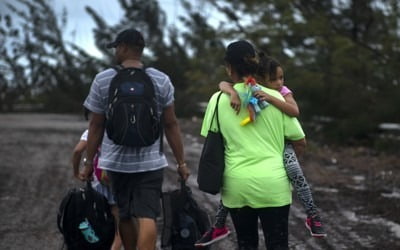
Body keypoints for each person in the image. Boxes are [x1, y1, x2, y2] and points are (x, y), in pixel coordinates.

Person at [196, 54, 326, 247]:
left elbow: (211, 140)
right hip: (274, 185)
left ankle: (218, 226)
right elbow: (300, 142)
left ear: (229, 68)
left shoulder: (217, 99)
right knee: (277, 244)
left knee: (246, 243)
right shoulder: (276, 97)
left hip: (236, 185)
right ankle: (312, 215)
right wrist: (285, 162)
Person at [80, 28, 190, 250]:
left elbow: (96, 125)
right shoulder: (161, 79)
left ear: (122, 48)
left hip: (116, 163)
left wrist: (89, 162)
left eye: (116, 48)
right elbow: (171, 124)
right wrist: (181, 163)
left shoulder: (103, 79)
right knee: (147, 215)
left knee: (125, 214)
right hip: (150, 162)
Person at [72, 122, 122, 249]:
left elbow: (77, 151)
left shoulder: (92, 132)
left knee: (94, 219)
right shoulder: (120, 130)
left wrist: (76, 172)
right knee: (119, 224)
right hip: (116, 180)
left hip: (97, 182)